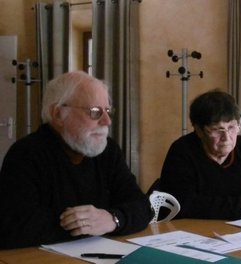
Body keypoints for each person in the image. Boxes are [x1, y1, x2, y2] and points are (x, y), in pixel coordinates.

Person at [0, 71, 152, 249]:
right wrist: (87, 223)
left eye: (108, 111)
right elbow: (14, 227)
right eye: (95, 112)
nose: (107, 121)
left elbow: (142, 206)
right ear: (58, 114)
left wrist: (113, 219)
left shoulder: (108, 150)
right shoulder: (26, 153)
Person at [149, 89, 241, 220]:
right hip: (197, 233)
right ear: (199, 130)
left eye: (232, 127)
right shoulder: (182, 151)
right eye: (217, 130)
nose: (227, 137)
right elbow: (183, 204)